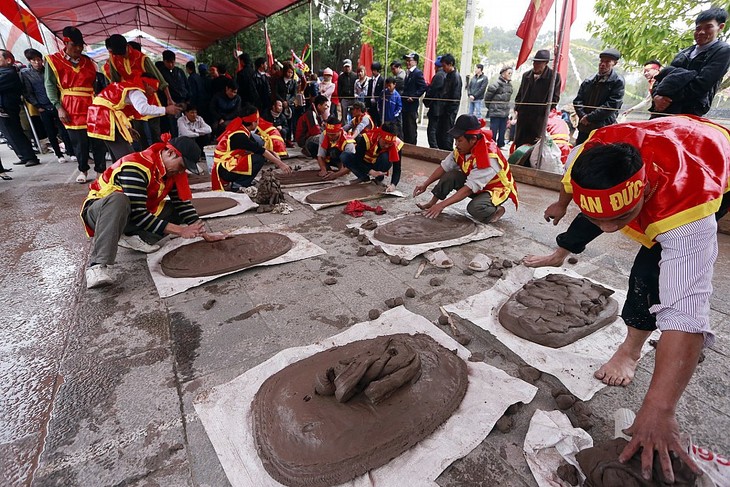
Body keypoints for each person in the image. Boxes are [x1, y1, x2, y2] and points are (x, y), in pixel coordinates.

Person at [526, 116, 728, 484]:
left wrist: (659, 406)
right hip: (662, 135)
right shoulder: (589, 151)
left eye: (619, 217)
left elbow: (686, 312)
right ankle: (581, 229)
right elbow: (575, 186)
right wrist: (561, 205)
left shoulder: (686, 214)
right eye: (598, 218)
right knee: (601, 213)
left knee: (650, 273)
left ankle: (631, 350)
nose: (608, 230)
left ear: (646, 191)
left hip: (710, 157)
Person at [81, 135, 220, 289]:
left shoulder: (171, 171)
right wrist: (181, 230)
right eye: (181, 166)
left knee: (175, 210)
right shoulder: (136, 166)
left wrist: (204, 234)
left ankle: (136, 238)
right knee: (119, 200)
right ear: (170, 153)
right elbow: (139, 214)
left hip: (131, 214)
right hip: (102, 213)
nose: (181, 171)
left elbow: (182, 204)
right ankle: (98, 265)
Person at [413, 114, 518, 223]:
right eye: (455, 140)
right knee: (451, 175)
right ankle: (432, 203)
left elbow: (469, 188)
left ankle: (496, 210)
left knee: (475, 208)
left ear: (473, 139)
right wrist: (425, 185)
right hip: (479, 185)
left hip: (495, 189)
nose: (456, 145)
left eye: (459, 140)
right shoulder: (462, 148)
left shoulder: (489, 157)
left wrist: (441, 206)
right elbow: (445, 166)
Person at [45, 27, 103, 181]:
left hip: (92, 105)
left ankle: (100, 171)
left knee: (98, 140)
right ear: (65, 43)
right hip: (70, 106)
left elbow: (95, 84)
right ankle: (83, 170)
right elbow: (50, 85)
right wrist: (58, 107)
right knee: (79, 142)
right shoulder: (53, 60)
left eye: (80, 45)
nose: (78, 48)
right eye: (74, 45)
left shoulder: (88, 61)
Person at [652, 7, 730, 117]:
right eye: (698, 28)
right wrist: (656, 96)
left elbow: (702, 84)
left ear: (720, 27)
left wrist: (667, 99)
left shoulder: (723, 51)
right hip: (663, 108)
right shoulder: (684, 52)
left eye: (708, 27)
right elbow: (662, 76)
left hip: (690, 110)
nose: (701, 32)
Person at [87, 76, 180, 161]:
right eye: (153, 89)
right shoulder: (136, 91)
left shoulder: (127, 86)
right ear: (147, 84)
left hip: (98, 115)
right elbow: (143, 109)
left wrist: (127, 128)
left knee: (117, 153)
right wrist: (166, 110)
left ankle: (118, 175)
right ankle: (129, 173)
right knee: (127, 156)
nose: (153, 92)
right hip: (106, 116)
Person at [211, 104, 291, 191]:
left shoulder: (242, 128)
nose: (258, 123)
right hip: (224, 169)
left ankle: (242, 181)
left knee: (259, 143)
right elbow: (261, 151)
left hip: (229, 162)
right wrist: (280, 163)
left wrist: (272, 152)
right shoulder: (240, 136)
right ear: (253, 123)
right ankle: (239, 184)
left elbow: (258, 146)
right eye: (257, 121)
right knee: (259, 158)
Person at [21, 48, 75, 164]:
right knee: (50, 132)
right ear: (29, 61)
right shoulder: (26, 74)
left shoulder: (48, 70)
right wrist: (37, 105)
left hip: (56, 104)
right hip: (42, 106)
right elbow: (28, 92)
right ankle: (58, 154)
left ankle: (71, 152)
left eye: (39, 60)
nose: (37, 63)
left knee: (64, 130)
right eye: (34, 61)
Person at [572, 48, 625, 145]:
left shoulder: (617, 82)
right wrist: (583, 116)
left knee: (598, 155)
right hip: (584, 127)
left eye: (607, 62)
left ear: (615, 63)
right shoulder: (589, 80)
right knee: (579, 153)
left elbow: (612, 105)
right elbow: (578, 101)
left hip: (603, 127)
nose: (603, 64)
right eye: (601, 61)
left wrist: (590, 118)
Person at [0, 49, 41, 167]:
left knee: (15, 133)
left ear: (8, 60)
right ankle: (23, 155)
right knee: (9, 135)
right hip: (5, 107)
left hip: (8, 107)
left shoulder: (9, 73)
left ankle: (30, 156)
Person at [513, 49, 561, 149]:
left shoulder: (553, 77)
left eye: (539, 62)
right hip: (523, 118)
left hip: (538, 120)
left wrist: (542, 111)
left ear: (546, 63)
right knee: (520, 145)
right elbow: (519, 95)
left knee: (534, 147)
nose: (535, 65)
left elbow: (555, 99)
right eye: (535, 62)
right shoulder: (526, 75)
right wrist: (518, 108)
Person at [342, 121, 403, 192]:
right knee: (345, 156)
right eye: (385, 142)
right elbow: (357, 160)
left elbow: (397, 168)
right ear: (379, 136)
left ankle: (378, 178)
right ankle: (363, 177)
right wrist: (370, 171)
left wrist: (393, 185)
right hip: (365, 163)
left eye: (390, 144)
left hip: (379, 163)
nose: (386, 146)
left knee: (385, 157)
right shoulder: (366, 138)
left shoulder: (397, 144)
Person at [436, 54, 462, 150]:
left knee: (446, 135)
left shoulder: (456, 77)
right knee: (439, 133)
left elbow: (455, 97)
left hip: (449, 111)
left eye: (444, 66)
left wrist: (448, 111)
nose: (443, 68)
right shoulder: (448, 76)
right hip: (443, 109)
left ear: (450, 64)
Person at [401, 52, 427, 145]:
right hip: (405, 105)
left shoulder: (417, 73)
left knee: (411, 127)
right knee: (405, 127)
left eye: (409, 61)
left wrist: (414, 96)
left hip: (411, 105)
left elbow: (423, 86)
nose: (407, 62)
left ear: (415, 62)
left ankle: (412, 146)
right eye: (406, 61)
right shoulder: (408, 73)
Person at [484, 66, 513, 148]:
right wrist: (491, 107)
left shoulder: (510, 85)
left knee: (503, 129)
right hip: (495, 111)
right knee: (494, 129)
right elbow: (487, 98)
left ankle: (501, 144)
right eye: (509, 73)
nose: (510, 75)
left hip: (505, 111)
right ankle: (491, 144)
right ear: (503, 73)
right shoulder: (495, 84)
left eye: (511, 73)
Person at [424, 56, 445, 149]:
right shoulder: (446, 75)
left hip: (436, 107)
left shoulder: (439, 75)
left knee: (432, 130)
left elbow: (432, 90)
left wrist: (426, 101)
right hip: (441, 108)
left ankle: (434, 148)